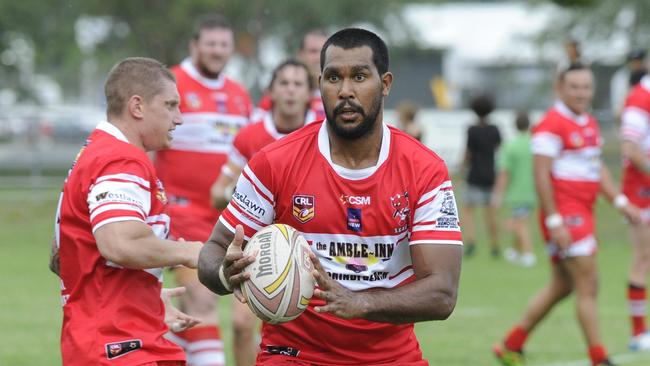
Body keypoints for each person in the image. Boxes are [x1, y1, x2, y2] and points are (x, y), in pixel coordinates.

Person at [198, 28, 463, 365]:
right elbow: (213, 251)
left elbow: (442, 293)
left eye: (360, 77)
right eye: (334, 78)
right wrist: (226, 273)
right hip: (294, 353)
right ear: (319, 83)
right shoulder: (274, 163)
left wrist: (360, 302)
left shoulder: (425, 171)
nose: (346, 91)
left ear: (385, 84)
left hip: (390, 357)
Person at [50, 57, 203, 366]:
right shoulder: (121, 160)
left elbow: (61, 255)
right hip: (117, 344)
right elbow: (119, 243)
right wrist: (189, 253)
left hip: (112, 337)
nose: (179, 118)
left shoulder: (94, 153)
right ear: (137, 107)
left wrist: (145, 297)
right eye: (171, 105)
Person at [493, 62, 640, 366]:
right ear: (560, 88)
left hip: (584, 212)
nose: (581, 93)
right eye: (574, 87)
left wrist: (620, 201)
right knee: (589, 284)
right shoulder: (551, 124)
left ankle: (511, 345)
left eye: (586, 87)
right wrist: (554, 219)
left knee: (563, 286)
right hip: (567, 216)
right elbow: (541, 175)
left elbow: (596, 168)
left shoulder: (588, 122)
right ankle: (599, 358)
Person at [154, 14, 253, 366]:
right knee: (201, 298)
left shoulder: (239, 95)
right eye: (210, 44)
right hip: (182, 213)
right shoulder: (171, 84)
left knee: (193, 314)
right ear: (194, 46)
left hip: (228, 219)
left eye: (223, 45)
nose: (217, 51)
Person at [209, 59, 314, 366]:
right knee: (242, 325)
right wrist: (249, 197)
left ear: (310, 93)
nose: (291, 91)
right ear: (271, 91)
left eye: (298, 84)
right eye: (284, 83)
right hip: (261, 249)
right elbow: (217, 193)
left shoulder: (327, 133)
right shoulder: (250, 137)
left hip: (311, 248)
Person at [620, 69, 650, 350]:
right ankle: (638, 333)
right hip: (641, 192)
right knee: (644, 257)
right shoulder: (640, 98)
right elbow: (631, 149)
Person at [491, 111, 537, 267]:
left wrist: (498, 194)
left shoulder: (510, 146)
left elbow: (504, 172)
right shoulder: (535, 144)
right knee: (520, 221)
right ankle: (515, 251)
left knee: (518, 224)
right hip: (532, 191)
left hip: (516, 192)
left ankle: (528, 254)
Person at [256, 29, 328, 121]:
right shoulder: (277, 97)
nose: (319, 58)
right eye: (313, 51)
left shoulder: (339, 94)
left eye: (324, 52)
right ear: (300, 55)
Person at [461, 94, 501, 257]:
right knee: (490, 213)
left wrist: (462, 167)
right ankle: (495, 245)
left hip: (474, 174)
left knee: (469, 210)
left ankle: (471, 241)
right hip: (490, 174)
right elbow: (498, 148)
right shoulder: (495, 129)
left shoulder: (472, 129)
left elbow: (468, 153)